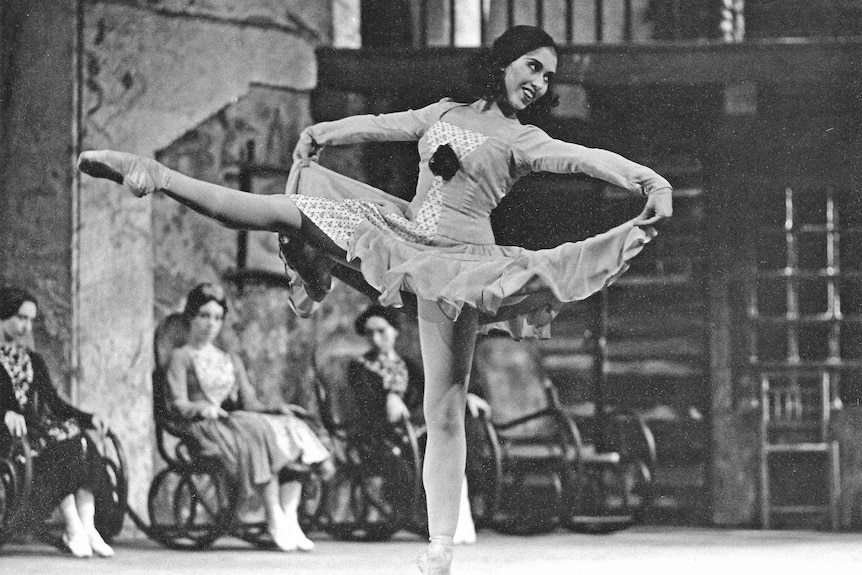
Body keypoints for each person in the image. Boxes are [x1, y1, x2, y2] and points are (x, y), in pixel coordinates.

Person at [77, 25, 672, 574]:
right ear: (503, 62)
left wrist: (644, 179)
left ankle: (439, 549)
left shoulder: (526, 138)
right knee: (287, 211)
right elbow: (385, 123)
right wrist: (325, 132)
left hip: (457, 268)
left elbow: (584, 158)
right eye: (532, 66)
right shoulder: (443, 112)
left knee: (443, 410)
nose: (538, 83)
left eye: (547, 77)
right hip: (398, 230)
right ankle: (155, 175)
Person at [162, 283, 331, 552]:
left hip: (234, 421)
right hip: (205, 425)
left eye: (217, 318)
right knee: (258, 431)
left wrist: (277, 409)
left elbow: (250, 402)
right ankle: (273, 514)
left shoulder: (228, 358)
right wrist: (202, 408)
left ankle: (290, 517)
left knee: (291, 426)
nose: (210, 324)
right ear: (191, 317)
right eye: (204, 316)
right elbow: (177, 403)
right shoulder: (180, 357)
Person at [0, 286, 114, 558]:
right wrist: (5, 413)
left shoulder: (32, 359)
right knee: (60, 444)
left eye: (30, 320)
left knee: (81, 440)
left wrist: (88, 418)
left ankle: (86, 527)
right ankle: (73, 526)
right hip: (7, 437)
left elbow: (55, 403)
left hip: (32, 433)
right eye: (21, 318)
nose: (27, 327)